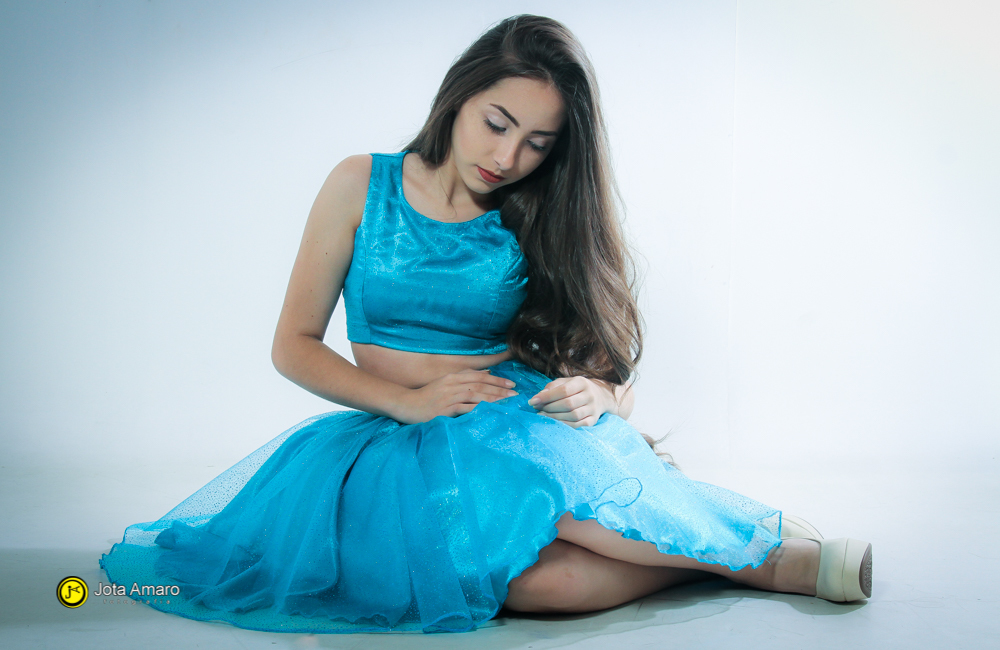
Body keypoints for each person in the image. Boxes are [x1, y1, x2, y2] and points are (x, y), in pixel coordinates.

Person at [100, 14, 872, 634]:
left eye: (538, 143)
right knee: (540, 587)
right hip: (396, 441)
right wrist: (406, 402)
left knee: (561, 507)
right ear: (459, 96)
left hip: (514, 425)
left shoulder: (533, 214)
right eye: (496, 123)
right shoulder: (359, 185)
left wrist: (602, 397)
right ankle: (711, 552)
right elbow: (292, 345)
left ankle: (779, 561)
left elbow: (606, 370)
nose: (508, 156)